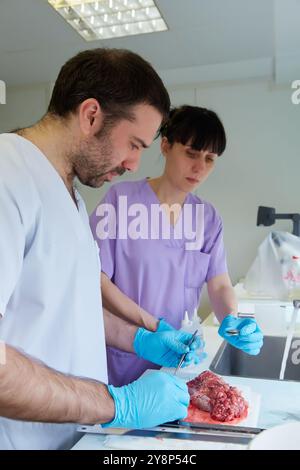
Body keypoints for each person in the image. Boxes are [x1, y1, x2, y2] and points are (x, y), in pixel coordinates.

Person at [0, 49, 201, 450]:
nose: (134, 164)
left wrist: (140, 339)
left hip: (72, 438)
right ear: (91, 115)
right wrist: (115, 403)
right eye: (133, 144)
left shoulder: (70, 196)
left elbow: (67, 309)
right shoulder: (8, 176)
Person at [90, 105, 264, 387]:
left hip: (180, 359)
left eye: (210, 159)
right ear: (166, 146)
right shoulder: (120, 201)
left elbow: (219, 284)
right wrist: (153, 327)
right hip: (125, 355)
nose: (200, 168)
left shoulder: (207, 218)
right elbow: (94, 279)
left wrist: (233, 318)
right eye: (191, 154)